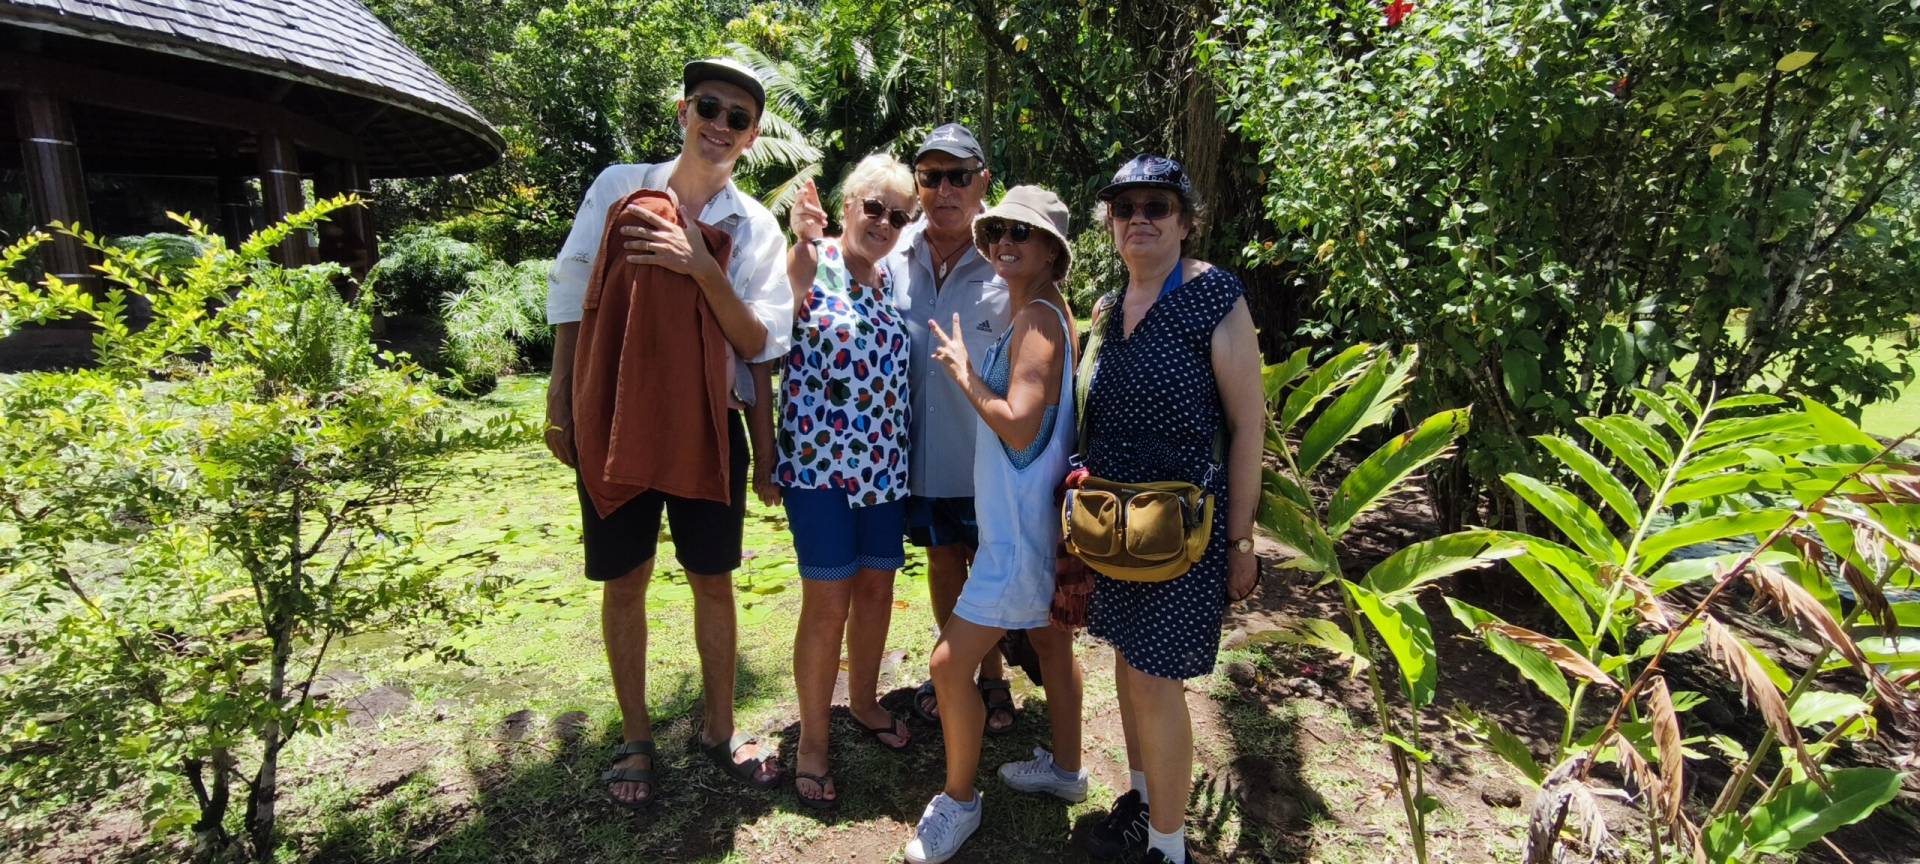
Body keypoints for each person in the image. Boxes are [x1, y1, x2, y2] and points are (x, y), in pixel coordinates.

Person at [543, 58, 793, 808]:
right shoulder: (620, 187)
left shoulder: (753, 226)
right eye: (710, 107)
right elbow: (571, 285)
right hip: (615, 411)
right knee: (626, 579)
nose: (720, 125)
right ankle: (636, 736)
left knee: (712, 579)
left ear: (750, 139)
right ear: (684, 110)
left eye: (738, 118)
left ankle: (719, 729)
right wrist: (561, 394)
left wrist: (699, 267)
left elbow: (758, 342)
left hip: (709, 423)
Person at [1077, 156, 1263, 864]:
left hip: (1185, 530)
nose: (1140, 220)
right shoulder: (1105, 307)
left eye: (1158, 205)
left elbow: (1249, 425)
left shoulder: (1213, 296)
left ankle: (1169, 846)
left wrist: (1242, 540)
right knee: (1127, 667)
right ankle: (1141, 801)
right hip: (1114, 528)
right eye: (1125, 209)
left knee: (1156, 679)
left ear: (1185, 222)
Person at [904, 186, 1088, 864]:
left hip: (1016, 537)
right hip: (1034, 523)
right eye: (999, 229)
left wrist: (961, 374)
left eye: (1023, 233)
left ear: (1051, 252)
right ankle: (1066, 771)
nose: (1005, 240)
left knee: (949, 667)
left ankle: (958, 801)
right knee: (1051, 646)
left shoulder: (1037, 321)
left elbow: (1018, 423)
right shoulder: (1041, 313)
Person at [772, 155, 919, 808]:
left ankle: (861, 702)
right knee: (827, 604)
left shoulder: (889, 281)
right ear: (850, 203)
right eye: (874, 208)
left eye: (897, 215)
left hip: (885, 469)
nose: (884, 222)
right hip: (822, 470)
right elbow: (781, 307)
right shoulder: (814, 259)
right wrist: (801, 238)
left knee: (877, 591)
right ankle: (812, 742)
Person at [885, 123, 1021, 732]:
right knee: (943, 562)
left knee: (991, 565)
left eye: (958, 176)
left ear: (982, 182)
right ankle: (967, 670)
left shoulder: (1011, 253)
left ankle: (994, 676)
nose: (944, 190)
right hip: (924, 454)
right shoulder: (894, 250)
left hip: (992, 453)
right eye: (931, 177)